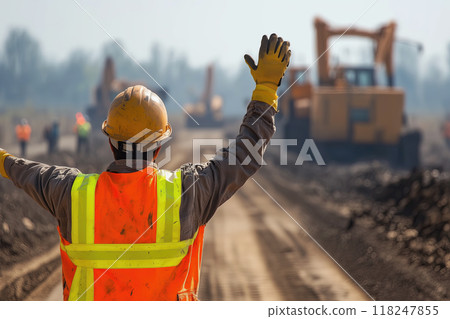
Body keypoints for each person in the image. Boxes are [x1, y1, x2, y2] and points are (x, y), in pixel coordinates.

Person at [0, 34, 290, 301]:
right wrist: (265, 91)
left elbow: (23, 170)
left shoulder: (71, 193)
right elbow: (245, 154)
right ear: (159, 147)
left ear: (111, 142)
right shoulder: (187, 194)